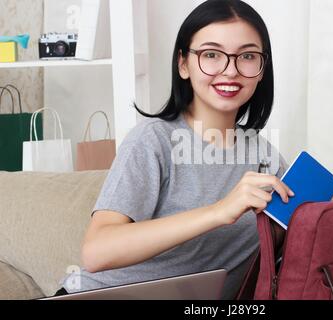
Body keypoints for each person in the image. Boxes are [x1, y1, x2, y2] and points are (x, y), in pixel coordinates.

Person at [56, 0, 294, 300]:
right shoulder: (153, 140)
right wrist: (220, 212)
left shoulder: (268, 162)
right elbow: (96, 251)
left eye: (247, 56)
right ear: (183, 64)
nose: (230, 70)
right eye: (211, 54)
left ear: (261, 69)